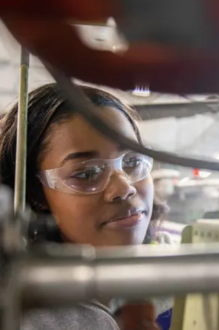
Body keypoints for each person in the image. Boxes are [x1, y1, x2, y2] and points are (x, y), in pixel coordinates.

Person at [0, 83, 170, 330]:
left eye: (132, 161)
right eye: (87, 173)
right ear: (37, 194)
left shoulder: (178, 275)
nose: (124, 188)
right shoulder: (25, 316)